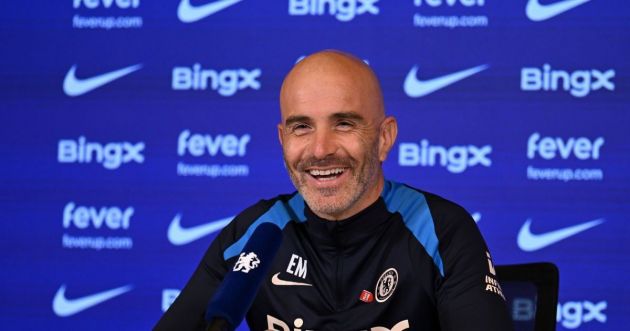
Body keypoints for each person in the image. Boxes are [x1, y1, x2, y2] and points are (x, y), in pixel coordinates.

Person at [155, 50, 512, 331]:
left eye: (343, 123)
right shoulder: (254, 234)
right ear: (282, 140)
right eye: (301, 127)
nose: (320, 149)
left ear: (384, 138)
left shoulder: (441, 230)